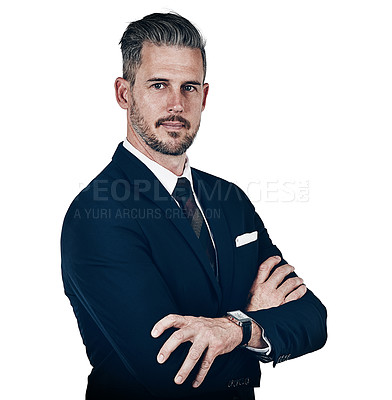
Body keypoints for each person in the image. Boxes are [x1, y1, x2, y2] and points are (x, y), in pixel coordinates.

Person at [61, 12, 327, 400]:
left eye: (188, 87)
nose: (175, 103)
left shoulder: (230, 199)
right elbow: (170, 372)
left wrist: (234, 329)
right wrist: (255, 322)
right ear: (124, 93)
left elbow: (313, 320)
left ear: (204, 96)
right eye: (158, 85)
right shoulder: (97, 215)